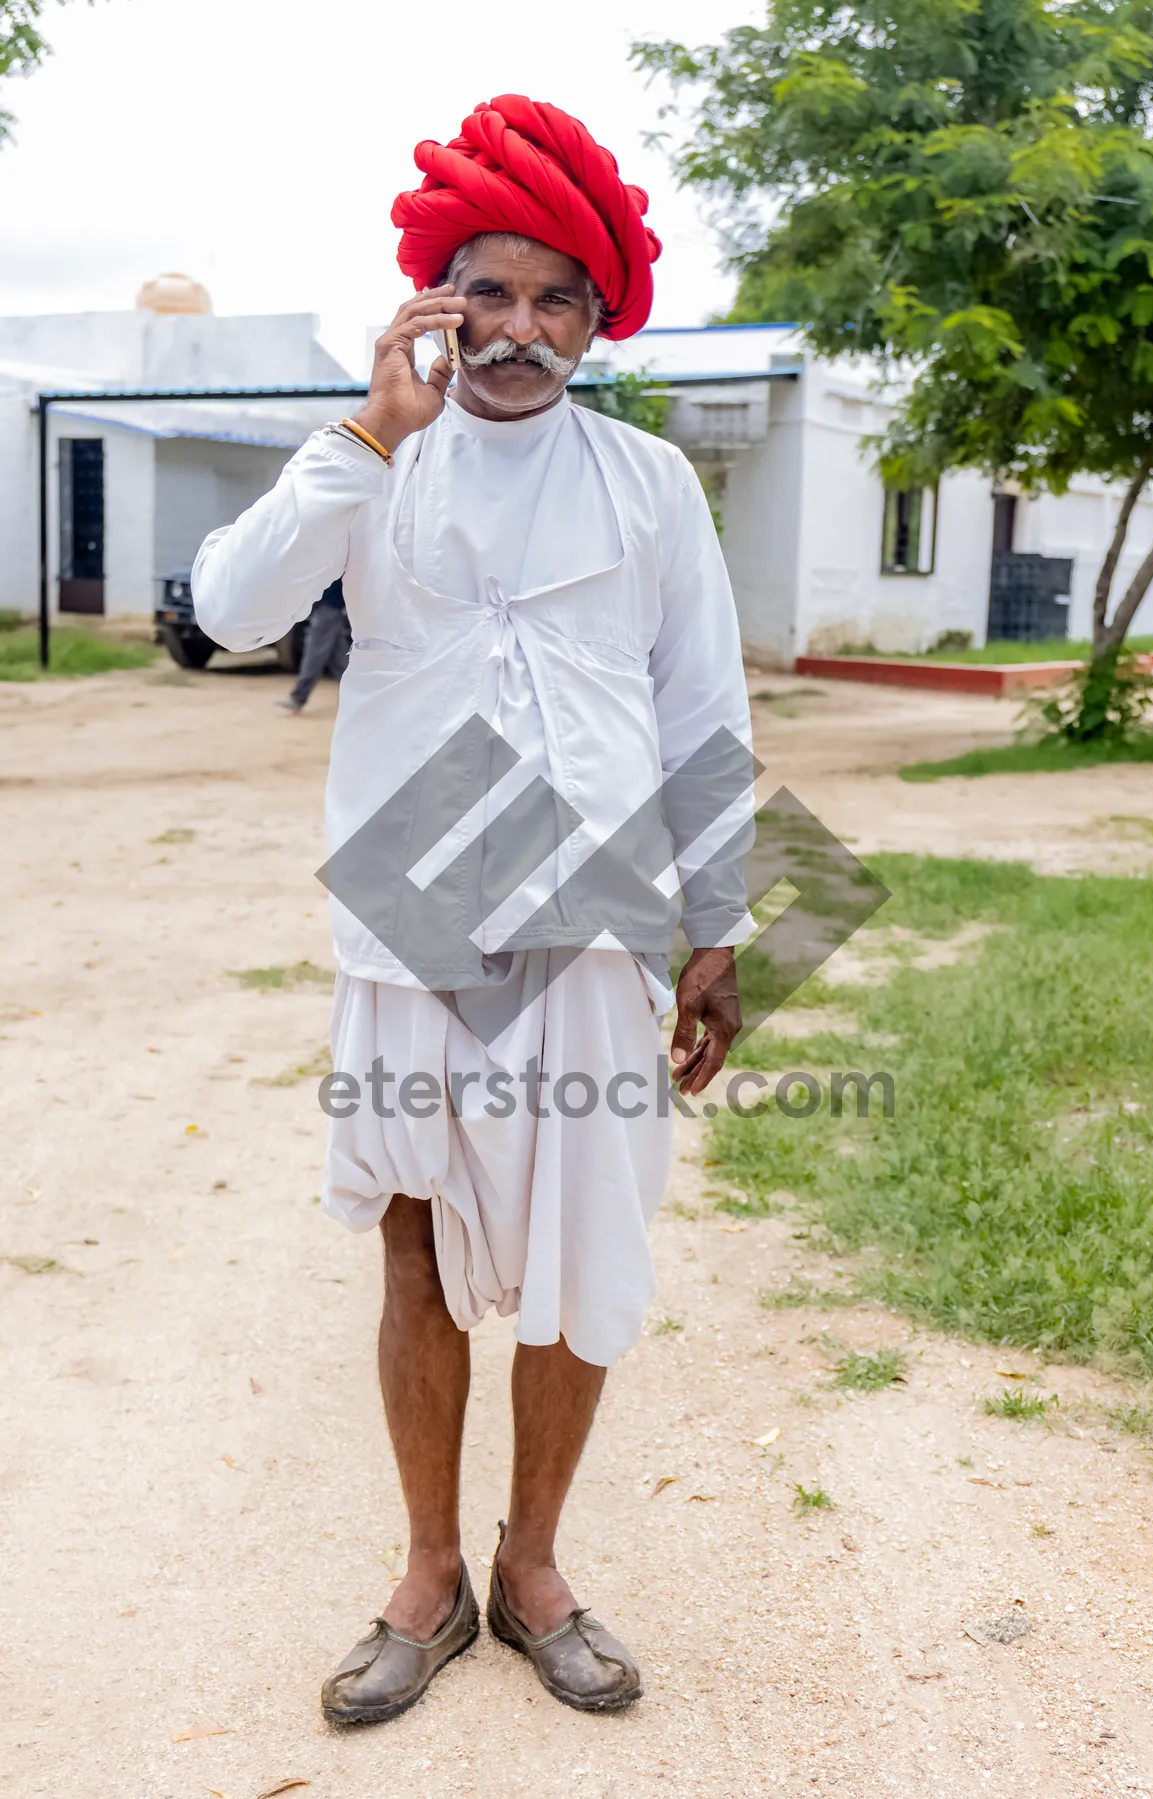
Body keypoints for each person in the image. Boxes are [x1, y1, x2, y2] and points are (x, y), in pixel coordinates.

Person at [192, 94, 753, 1724]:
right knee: (416, 1253)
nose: (516, 327)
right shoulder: (371, 462)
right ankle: (429, 1574)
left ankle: (535, 1565)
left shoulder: (650, 483)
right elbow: (229, 609)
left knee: (585, 1250)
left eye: (552, 298)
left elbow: (701, 703)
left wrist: (715, 923)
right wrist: (366, 431)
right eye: (485, 292)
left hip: (590, 929)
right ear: (434, 303)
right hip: (413, 925)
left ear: (594, 320)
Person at [276, 578, 349, 712]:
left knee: (315, 652)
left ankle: (298, 696)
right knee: (339, 655)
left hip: (328, 604)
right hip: (332, 603)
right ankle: (358, 693)